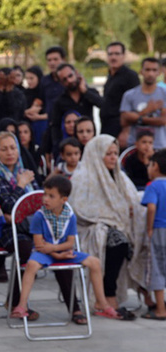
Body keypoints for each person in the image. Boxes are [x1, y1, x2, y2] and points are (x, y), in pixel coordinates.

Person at [0, 131, 84, 322]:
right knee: (28, 251)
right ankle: (19, 304)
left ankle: (74, 307)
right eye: (4, 149)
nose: (10, 152)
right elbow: (8, 207)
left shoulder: (26, 172)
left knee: (59, 249)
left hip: (35, 225)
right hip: (9, 230)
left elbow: (41, 203)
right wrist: (20, 186)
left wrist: (20, 202)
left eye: (13, 148)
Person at [12, 175, 122, 319]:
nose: (45, 199)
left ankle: (101, 303)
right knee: (31, 265)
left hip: (63, 251)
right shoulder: (39, 216)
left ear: (63, 200)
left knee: (95, 262)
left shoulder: (70, 216)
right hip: (44, 253)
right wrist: (57, 254)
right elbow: (39, 245)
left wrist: (55, 250)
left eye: (51, 196)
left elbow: (70, 243)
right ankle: (22, 305)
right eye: (45, 194)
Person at [69, 135, 148, 318]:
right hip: (89, 228)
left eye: (115, 153)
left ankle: (150, 297)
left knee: (140, 240)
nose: (113, 158)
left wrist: (129, 210)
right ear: (97, 154)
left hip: (117, 225)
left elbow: (132, 200)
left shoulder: (119, 176)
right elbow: (80, 210)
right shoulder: (82, 177)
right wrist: (109, 217)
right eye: (108, 154)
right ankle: (107, 296)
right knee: (118, 241)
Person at [50, 64, 104, 152]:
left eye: (70, 76)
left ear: (76, 73)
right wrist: (58, 146)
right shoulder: (59, 101)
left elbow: (103, 105)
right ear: (61, 83)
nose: (69, 80)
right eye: (65, 79)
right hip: (71, 147)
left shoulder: (90, 93)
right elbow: (55, 126)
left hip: (89, 142)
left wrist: (85, 91)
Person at [120, 57, 166, 150]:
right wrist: (146, 110)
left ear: (159, 72)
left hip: (158, 146)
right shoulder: (129, 95)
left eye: (154, 70)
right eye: (147, 70)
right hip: (135, 146)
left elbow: (163, 121)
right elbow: (124, 121)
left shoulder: (164, 93)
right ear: (141, 71)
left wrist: (137, 118)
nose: (150, 74)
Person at [141, 149, 166, 319]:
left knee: (156, 266)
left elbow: (151, 207)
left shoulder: (154, 186)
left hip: (158, 230)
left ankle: (160, 309)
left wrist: (149, 228)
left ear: (155, 166)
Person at [101, 42, 140, 138]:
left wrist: (126, 131)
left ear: (123, 56)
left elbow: (135, 105)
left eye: (117, 54)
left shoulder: (130, 76)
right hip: (107, 126)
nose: (113, 57)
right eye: (110, 54)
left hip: (121, 129)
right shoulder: (110, 75)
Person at [0, 67, 26, 136]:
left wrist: (9, 89)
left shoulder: (19, 94)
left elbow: (15, 109)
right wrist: (0, 89)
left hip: (13, 131)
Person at [23, 66, 48, 146]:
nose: (29, 81)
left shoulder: (45, 92)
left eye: (31, 78)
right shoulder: (25, 93)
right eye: (27, 78)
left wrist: (38, 117)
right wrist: (26, 112)